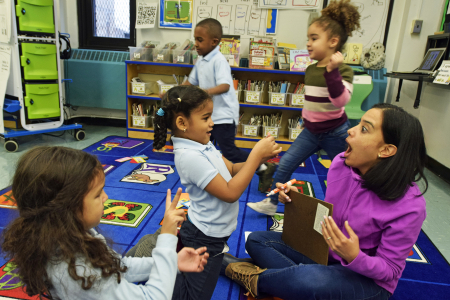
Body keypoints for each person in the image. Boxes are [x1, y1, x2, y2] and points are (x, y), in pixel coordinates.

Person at [223, 103, 428, 300]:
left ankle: (252, 277)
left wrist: (354, 255)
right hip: (324, 256)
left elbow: (389, 271)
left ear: (386, 150)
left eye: (364, 129)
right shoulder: (341, 164)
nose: (350, 130)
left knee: (309, 279)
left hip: (367, 280)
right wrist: (297, 201)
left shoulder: (409, 206)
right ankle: (290, 281)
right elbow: (330, 215)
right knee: (257, 240)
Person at [1, 146, 209, 300]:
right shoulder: (81, 271)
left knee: (148, 242)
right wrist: (167, 239)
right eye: (97, 194)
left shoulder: (64, 234)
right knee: (155, 242)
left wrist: (173, 261)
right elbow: (153, 297)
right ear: (67, 208)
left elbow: (117, 266)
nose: (106, 198)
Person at [153, 85, 282, 300]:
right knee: (196, 296)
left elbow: (230, 170)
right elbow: (231, 192)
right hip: (205, 237)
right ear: (182, 123)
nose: (212, 123)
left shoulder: (202, 143)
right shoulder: (189, 156)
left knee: (194, 279)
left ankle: (167, 262)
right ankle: (161, 270)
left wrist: (257, 159)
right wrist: (255, 156)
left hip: (209, 232)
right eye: (205, 118)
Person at [248, 0, 361, 215]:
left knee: (347, 172)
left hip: (335, 132)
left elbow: (340, 101)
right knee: (285, 164)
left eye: (314, 38)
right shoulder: (310, 69)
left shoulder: (343, 70)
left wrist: (332, 72)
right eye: (308, 38)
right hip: (311, 132)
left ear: (333, 42)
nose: (308, 43)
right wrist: (306, 118)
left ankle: (352, 207)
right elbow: (312, 100)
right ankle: (271, 203)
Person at [182, 18, 250, 164]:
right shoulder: (201, 60)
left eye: (200, 40)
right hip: (209, 115)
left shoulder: (219, 61)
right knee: (204, 147)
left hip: (224, 116)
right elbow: (190, 82)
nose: (196, 44)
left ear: (214, 42)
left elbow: (225, 86)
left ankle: (261, 166)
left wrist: (204, 92)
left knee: (229, 151)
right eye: (195, 39)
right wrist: (173, 93)